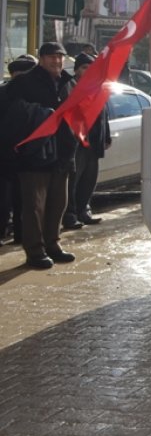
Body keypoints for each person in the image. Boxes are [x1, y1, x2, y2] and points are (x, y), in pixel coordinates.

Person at [6, 42, 79, 269]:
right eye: (51, 57)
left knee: (58, 204)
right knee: (34, 207)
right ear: (41, 58)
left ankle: (53, 245)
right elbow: (10, 113)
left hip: (63, 154)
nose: (56, 61)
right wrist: (40, 116)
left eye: (60, 57)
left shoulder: (69, 82)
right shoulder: (23, 82)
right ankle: (35, 251)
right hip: (34, 155)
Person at [62, 52, 111, 231]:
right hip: (77, 143)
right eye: (84, 67)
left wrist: (106, 137)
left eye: (91, 68)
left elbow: (104, 115)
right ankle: (70, 216)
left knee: (89, 180)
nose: (88, 71)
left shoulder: (98, 88)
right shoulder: (70, 87)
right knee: (73, 181)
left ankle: (84, 211)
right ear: (76, 70)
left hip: (94, 143)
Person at [0, 54, 38, 245]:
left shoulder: (35, 95)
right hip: (8, 155)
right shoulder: (7, 95)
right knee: (7, 198)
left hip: (27, 155)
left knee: (23, 198)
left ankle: (20, 234)